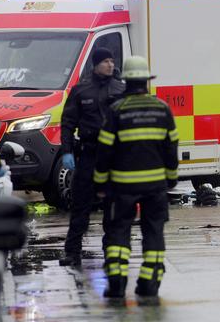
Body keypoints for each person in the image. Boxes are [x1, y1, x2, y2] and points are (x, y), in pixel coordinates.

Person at [94, 56, 178, 299]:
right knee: (153, 231)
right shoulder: (163, 110)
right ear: (146, 82)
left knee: (118, 231)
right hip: (155, 186)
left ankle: (118, 282)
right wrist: (170, 179)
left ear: (126, 82)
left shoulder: (116, 111)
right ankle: (150, 281)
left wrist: (100, 183)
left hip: (121, 187)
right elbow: (171, 148)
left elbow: (104, 152)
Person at [59, 47, 125, 267]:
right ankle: (72, 252)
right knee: (81, 205)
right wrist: (67, 150)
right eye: (105, 61)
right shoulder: (81, 90)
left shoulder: (120, 89)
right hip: (89, 154)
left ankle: (111, 251)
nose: (110, 65)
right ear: (96, 64)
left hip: (115, 156)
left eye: (112, 61)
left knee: (112, 206)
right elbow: (68, 123)